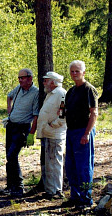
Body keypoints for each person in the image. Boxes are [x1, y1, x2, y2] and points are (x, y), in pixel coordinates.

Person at [63, 60, 98, 209]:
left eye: (77, 71)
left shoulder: (88, 89)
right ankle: (75, 196)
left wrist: (87, 133)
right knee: (71, 166)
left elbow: (94, 113)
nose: (74, 74)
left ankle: (85, 199)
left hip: (83, 131)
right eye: (72, 71)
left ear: (83, 72)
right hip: (71, 131)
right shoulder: (71, 91)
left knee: (84, 166)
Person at [5, 68, 39, 198]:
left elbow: (36, 115)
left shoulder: (36, 93)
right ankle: (10, 186)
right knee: (9, 157)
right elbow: (9, 96)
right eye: (19, 78)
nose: (20, 80)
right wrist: (9, 108)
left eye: (22, 78)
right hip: (11, 126)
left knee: (12, 155)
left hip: (22, 128)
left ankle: (19, 187)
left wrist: (31, 133)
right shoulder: (18, 89)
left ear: (30, 78)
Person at [36, 71, 67, 200]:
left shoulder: (61, 94)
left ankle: (56, 190)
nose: (44, 83)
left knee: (55, 162)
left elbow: (63, 114)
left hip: (55, 134)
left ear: (53, 82)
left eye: (46, 80)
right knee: (48, 162)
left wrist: (52, 125)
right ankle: (50, 189)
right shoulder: (50, 94)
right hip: (47, 134)